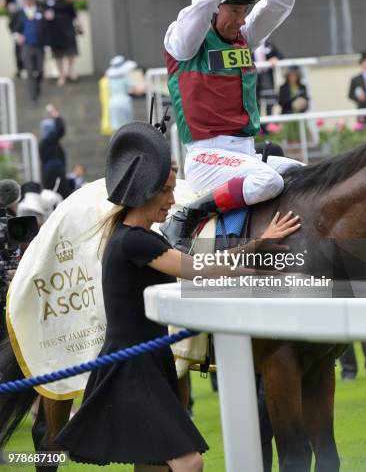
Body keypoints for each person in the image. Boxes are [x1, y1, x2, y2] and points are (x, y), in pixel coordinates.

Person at [55, 121, 300, 471]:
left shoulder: (140, 238)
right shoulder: (135, 241)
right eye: (167, 191)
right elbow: (198, 269)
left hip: (148, 362)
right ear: (145, 192)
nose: (172, 200)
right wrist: (268, 277)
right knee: (189, 462)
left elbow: (199, 262)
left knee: (152, 464)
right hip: (134, 368)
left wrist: (257, 244)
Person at [162, 0, 300, 251]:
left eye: (244, 12)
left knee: (304, 175)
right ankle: (188, 215)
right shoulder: (184, 41)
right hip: (206, 158)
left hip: (246, 153)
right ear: (213, 11)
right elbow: (205, 2)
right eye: (234, 12)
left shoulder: (243, 37)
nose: (240, 21)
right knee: (268, 181)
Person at [9, 0, 47, 104]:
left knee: (40, 70)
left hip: (39, 45)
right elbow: (12, 27)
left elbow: (46, 29)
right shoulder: (19, 13)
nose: (29, 1)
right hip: (26, 46)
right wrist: (17, 36)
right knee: (30, 71)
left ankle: (38, 86)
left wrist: (47, 44)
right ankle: (33, 97)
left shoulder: (40, 11)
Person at [43, 0, 80, 86]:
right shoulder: (46, 3)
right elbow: (43, 16)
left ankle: (70, 71)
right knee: (58, 55)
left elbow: (74, 15)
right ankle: (62, 75)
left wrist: (78, 26)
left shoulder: (67, 2)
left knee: (71, 52)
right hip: (54, 33)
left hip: (68, 31)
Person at [3, 0, 34, 78]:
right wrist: (9, 6)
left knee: (31, 41)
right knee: (17, 43)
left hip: (29, 17)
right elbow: (6, 3)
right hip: (16, 19)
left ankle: (32, 67)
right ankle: (20, 68)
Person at [101, 55, 141, 133]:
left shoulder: (109, 79)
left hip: (112, 103)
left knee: (115, 129)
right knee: (127, 128)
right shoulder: (125, 77)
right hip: (124, 102)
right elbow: (136, 90)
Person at [38, 104, 70, 199]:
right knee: (63, 196)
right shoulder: (49, 140)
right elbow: (61, 129)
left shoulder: (42, 143)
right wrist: (55, 114)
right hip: (56, 171)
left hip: (47, 173)